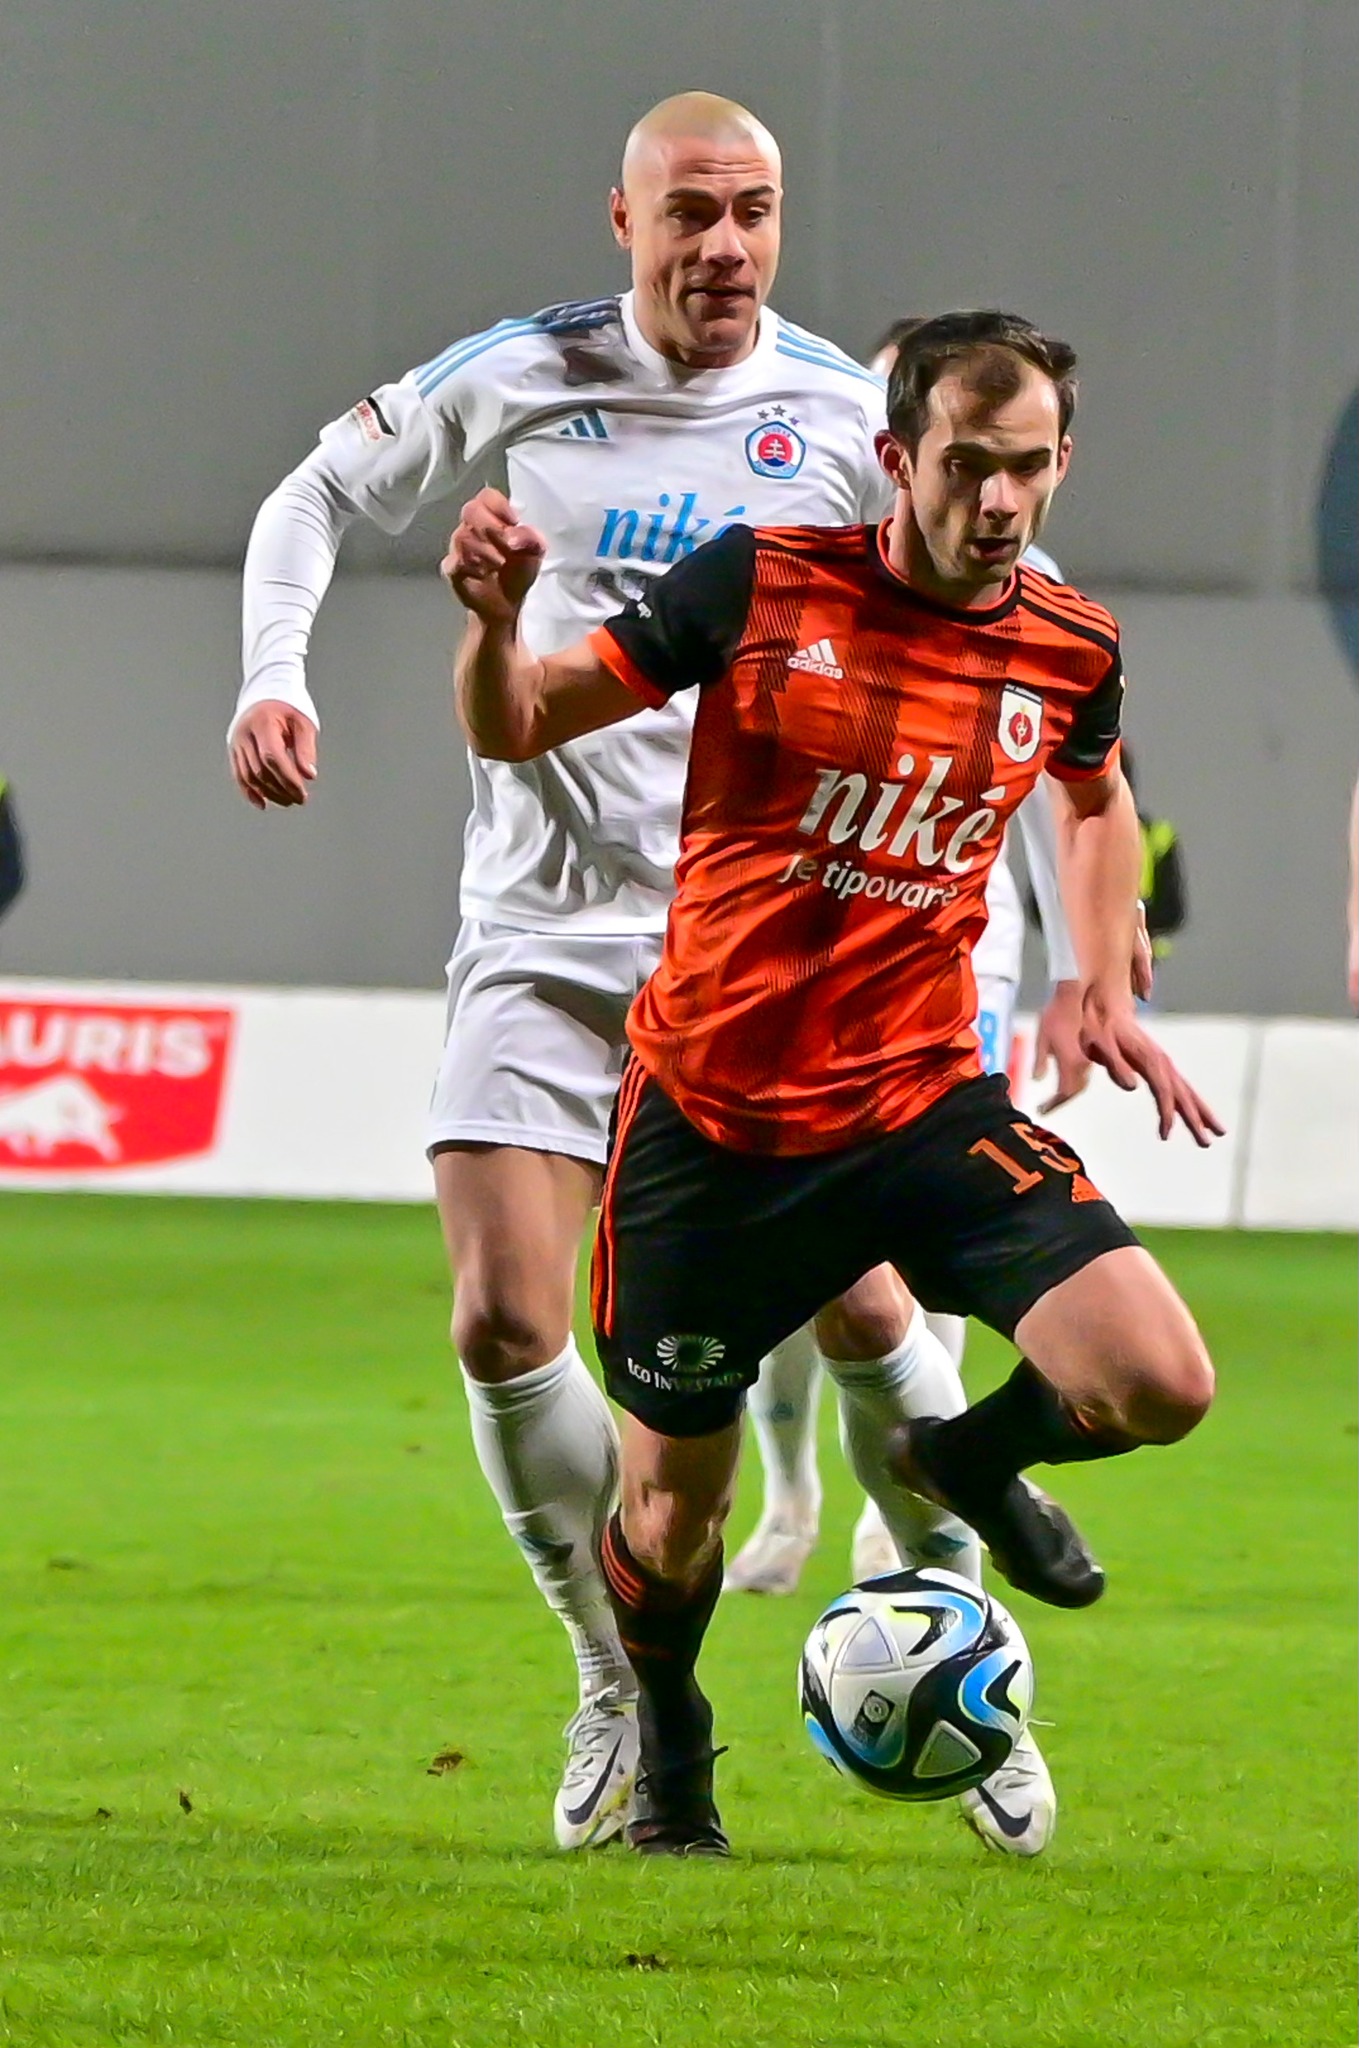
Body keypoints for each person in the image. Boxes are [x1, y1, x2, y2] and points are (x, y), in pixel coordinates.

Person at [227, 92, 997, 1850]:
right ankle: (611, 1672)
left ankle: (966, 1644)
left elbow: (960, 615)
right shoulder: (520, 376)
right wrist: (276, 673)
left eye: (756, 211)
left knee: (872, 1310)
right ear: (626, 220)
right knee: (503, 1319)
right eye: (692, 212)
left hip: (758, 950)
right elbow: (314, 492)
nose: (726, 245)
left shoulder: (841, 416)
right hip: (544, 932)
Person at [446, 308, 1221, 1856]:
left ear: (1063, 463)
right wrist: (495, 624)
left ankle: (964, 1457)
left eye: (1027, 467)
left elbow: (1091, 795)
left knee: (1160, 1382)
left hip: (922, 1109)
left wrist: (1097, 976)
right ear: (896, 456)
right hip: (715, 1132)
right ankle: (669, 1728)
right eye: (966, 464)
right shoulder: (760, 584)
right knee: (673, 1523)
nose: (997, 500)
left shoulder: (1070, 643)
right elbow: (522, 721)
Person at [727, 315, 1094, 1611]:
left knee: (923, 1259)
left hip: (957, 965)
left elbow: (1069, 791)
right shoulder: (806, 562)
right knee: (795, 1278)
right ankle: (789, 1498)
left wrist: (1073, 970)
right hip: (800, 977)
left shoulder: (1031, 590)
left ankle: (911, 1512)